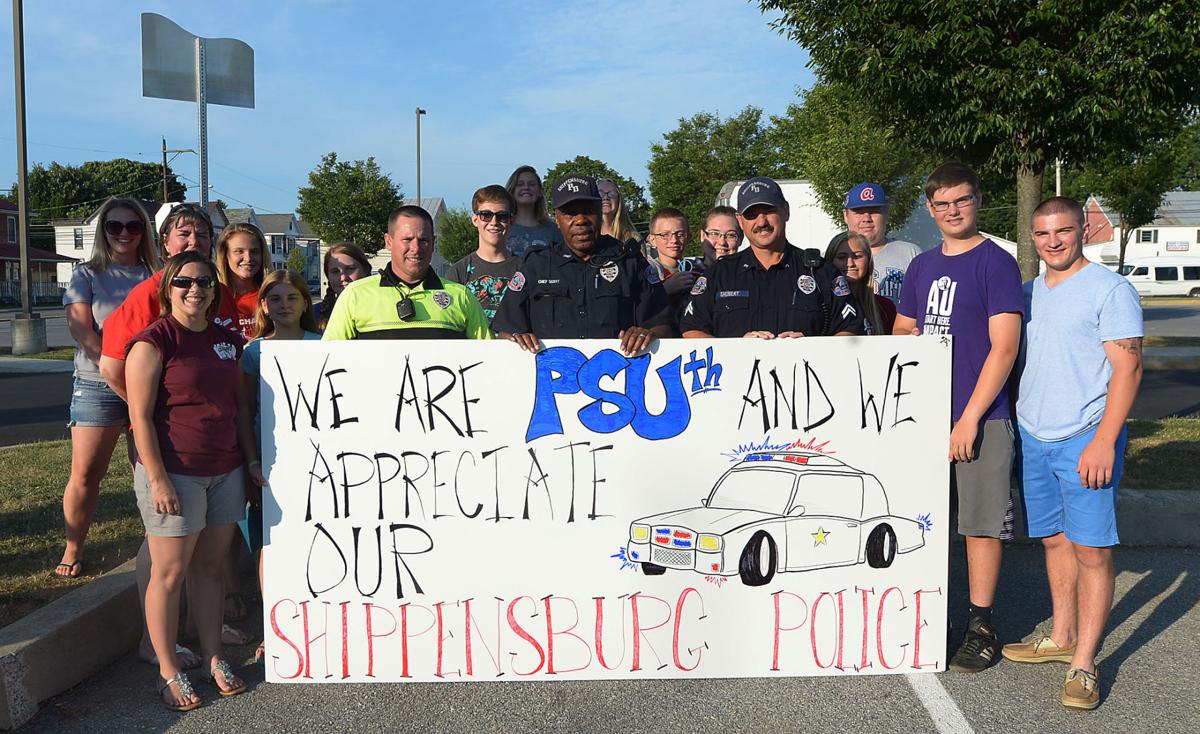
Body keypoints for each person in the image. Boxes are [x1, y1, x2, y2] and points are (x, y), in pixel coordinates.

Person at [1000, 197, 1143, 710]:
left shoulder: (1110, 289)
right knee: (1054, 541)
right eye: (1042, 233)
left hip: (1086, 436)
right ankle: (1061, 638)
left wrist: (1104, 440)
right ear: (1032, 237)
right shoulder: (1026, 294)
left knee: (1091, 550)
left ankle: (1084, 662)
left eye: (1062, 230)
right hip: (1034, 435)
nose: (1053, 241)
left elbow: (1128, 369)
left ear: (1082, 229)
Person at [98, 203, 243, 666]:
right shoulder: (148, 302)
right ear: (164, 245)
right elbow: (112, 367)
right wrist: (161, 416)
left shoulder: (219, 307)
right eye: (184, 233)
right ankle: (156, 646)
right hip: (170, 455)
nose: (193, 240)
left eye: (202, 233)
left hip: (221, 461)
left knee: (205, 562)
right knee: (165, 557)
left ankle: (204, 637)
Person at [894, 161, 1023, 673]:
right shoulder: (922, 266)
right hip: (925, 416)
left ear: (978, 200)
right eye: (942, 204)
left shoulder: (996, 263)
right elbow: (902, 329)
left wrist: (968, 418)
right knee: (926, 521)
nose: (953, 211)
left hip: (980, 416)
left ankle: (981, 625)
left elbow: (1004, 347)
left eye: (962, 200)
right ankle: (931, 616)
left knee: (980, 525)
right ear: (930, 209)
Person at [125, 251, 259, 710]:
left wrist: (249, 460)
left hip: (225, 469)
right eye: (184, 282)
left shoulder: (227, 342)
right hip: (176, 471)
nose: (195, 290)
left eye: (204, 282)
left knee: (210, 569)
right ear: (168, 288)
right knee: (169, 574)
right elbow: (140, 419)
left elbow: (239, 409)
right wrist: (158, 479)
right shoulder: (153, 342)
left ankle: (213, 657)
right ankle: (168, 669)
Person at [56, 197, 160, 578]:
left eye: (133, 226)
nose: (124, 233)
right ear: (103, 231)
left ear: (143, 232)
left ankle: (157, 541)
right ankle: (73, 548)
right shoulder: (86, 274)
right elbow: (81, 328)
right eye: (114, 226)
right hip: (97, 384)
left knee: (149, 469)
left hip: (149, 386)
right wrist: (113, 366)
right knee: (87, 473)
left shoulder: (157, 274)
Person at [236, 269, 321, 661]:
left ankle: (316, 618)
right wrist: (252, 459)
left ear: (305, 303)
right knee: (271, 544)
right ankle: (274, 627)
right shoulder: (254, 352)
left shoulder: (323, 345)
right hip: (270, 461)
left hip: (317, 460)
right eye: (275, 298)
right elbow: (244, 411)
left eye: (292, 297)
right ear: (264, 306)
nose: (284, 305)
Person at [492, 174, 671, 354]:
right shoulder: (536, 265)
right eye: (570, 213)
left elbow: (664, 325)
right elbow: (505, 332)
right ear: (557, 218)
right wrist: (515, 340)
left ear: (600, 212)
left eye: (588, 210)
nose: (580, 220)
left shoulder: (629, 262)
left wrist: (648, 334)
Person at [680, 176, 863, 339]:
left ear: (786, 211)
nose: (761, 222)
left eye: (768, 211)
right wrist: (736, 350)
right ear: (740, 221)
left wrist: (811, 347)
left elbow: (850, 328)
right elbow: (691, 329)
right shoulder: (719, 274)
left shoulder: (821, 271)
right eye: (751, 214)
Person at [323, 205, 491, 340]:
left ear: (434, 243)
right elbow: (329, 359)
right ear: (389, 241)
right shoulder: (354, 295)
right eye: (407, 240)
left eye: (423, 240)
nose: (416, 248)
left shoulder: (461, 297)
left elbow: (488, 360)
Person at [828, 182, 923, 305]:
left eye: (874, 211)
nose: (866, 218)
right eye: (859, 212)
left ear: (887, 212)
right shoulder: (831, 257)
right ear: (845, 215)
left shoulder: (911, 253)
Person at [444, 185, 519, 324]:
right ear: (475, 220)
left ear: (511, 221)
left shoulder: (525, 269)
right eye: (486, 215)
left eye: (502, 216)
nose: (494, 222)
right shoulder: (458, 273)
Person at [825, 231, 896, 335]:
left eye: (857, 256)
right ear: (829, 262)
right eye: (841, 257)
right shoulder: (818, 307)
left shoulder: (885, 307)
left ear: (868, 261)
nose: (850, 263)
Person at [214, 223, 270, 340]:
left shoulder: (273, 295)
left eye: (254, 252)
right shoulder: (213, 297)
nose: (248, 258)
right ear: (225, 255)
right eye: (239, 251)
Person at [645, 207, 702, 321]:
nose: (674, 240)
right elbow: (639, 306)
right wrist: (665, 289)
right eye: (665, 235)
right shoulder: (646, 270)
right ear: (652, 240)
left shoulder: (698, 269)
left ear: (689, 237)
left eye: (680, 234)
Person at [505, 165, 561, 257]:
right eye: (520, 184)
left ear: (540, 192)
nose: (526, 187)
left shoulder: (553, 230)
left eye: (532, 184)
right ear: (512, 190)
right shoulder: (503, 228)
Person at [315, 242, 371, 330]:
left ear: (366, 270)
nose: (343, 277)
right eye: (335, 271)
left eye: (350, 269)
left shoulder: (383, 307)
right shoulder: (314, 314)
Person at [598, 178, 641, 252]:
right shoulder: (586, 236)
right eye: (600, 193)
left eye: (612, 194)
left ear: (619, 200)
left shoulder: (633, 238)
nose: (606, 197)